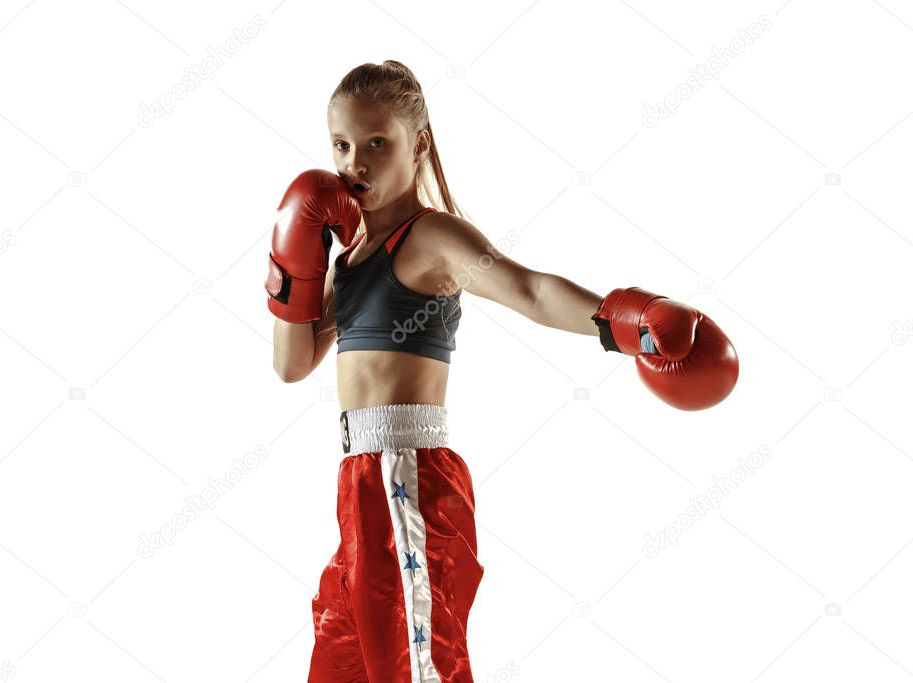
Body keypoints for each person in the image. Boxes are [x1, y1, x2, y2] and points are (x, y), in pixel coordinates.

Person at [264, 60, 738, 683]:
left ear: (419, 144)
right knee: (341, 667)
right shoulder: (346, 256)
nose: (356, 163)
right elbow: (291, 364)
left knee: (418, 668)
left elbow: (530, 290)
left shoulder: (431, 237)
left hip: (405, 472)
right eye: (343, 145)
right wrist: (293, 263)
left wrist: (624, 322)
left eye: (378, 142)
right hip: (360, 483)